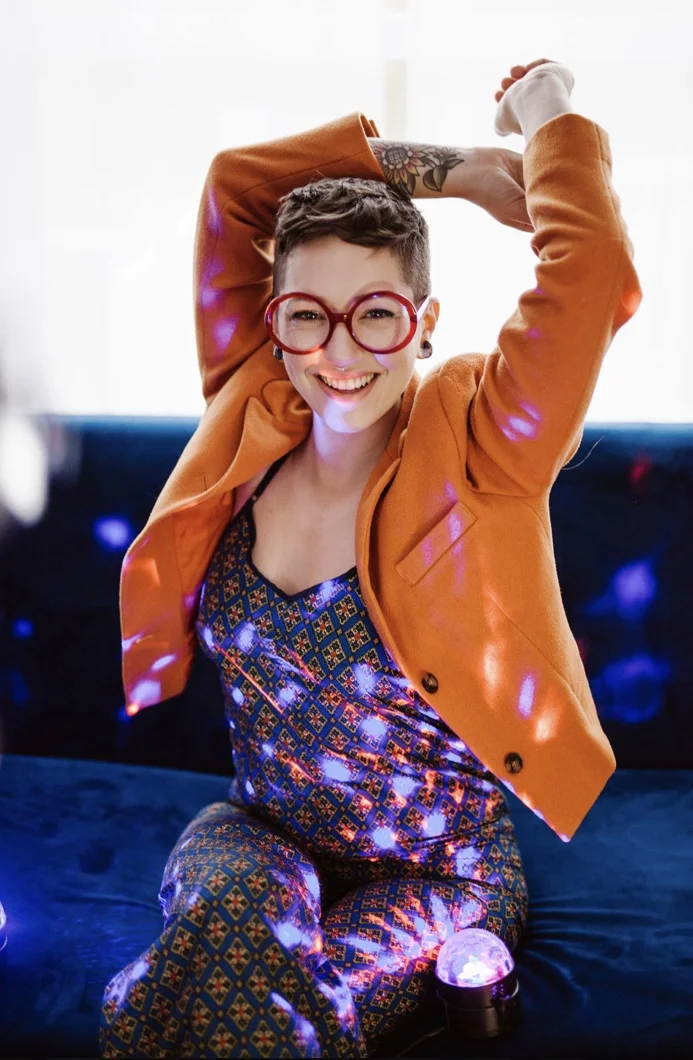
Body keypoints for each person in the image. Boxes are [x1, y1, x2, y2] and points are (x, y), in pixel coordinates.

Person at [99, 59, 642, 1058]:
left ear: (426, 324)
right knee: (227, 930)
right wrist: (460, 171)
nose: (337, 353)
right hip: (257, 833)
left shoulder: (487, 442)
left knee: (288, 1002)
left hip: (439, 875)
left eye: (378, 314)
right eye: (307, 314)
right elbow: (237, 188)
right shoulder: (250, 404)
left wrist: (546, 108)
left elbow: (591, 266)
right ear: (276, 321)